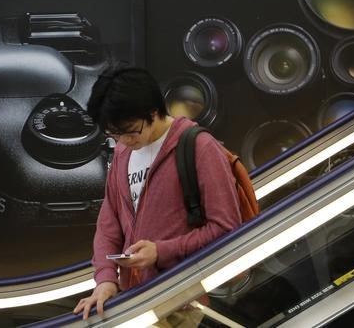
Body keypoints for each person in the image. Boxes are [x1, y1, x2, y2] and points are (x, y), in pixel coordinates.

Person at [73, 65, 242, 322]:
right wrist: (106, 279)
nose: (123, 140)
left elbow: (226, 228)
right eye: (113, 134)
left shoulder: (199, 147)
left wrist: (160, 251)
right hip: (134, 301)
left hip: (182, 298)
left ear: (153, 111)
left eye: (130, 130)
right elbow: (108, 224)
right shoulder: (122, 153)